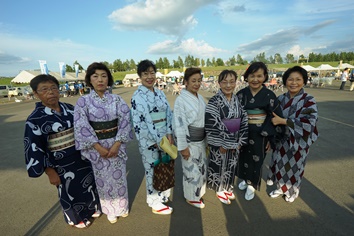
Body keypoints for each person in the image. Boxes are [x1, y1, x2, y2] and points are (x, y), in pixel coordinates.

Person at [24, 74, 101, 229]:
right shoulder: (34, 119)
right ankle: (75, 218)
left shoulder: (70, 109)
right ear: (36, 94)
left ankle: (91, 208)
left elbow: (85, 129)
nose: (51, 92)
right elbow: (34, 147)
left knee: (88, 184)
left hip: (81, 156)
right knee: (68, 190)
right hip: (59, 162)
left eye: (53, 88)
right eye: (44, 89)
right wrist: (48, 170)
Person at [74, 62, 133, 224]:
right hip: (96, 146)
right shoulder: (83, 102)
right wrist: (98, 147)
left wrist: (117, 143)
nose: (100, 79)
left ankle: (122, 206)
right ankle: (110, 211)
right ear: (89, 80)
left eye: (104, 76)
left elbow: (125, 120)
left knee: (119, 178)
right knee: (103, 180)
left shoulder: (117, 99)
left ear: (109, 79)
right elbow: (81, 125)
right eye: (95, 76)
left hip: (116, 143)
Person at [268, 66, 319, 203]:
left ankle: (292, 192)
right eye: (290, 79)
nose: (294, 83)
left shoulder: (309, 100)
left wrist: (284, 121)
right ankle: (280, 188)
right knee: (279, 164)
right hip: (280, 140)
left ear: (304, 81)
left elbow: (309, 122)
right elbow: (270, 117)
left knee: (294, 167)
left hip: (297, 140)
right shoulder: (280, 99)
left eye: (298, 79)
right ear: (285, 81)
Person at [131, 59, 174, 215]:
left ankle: (162, 194)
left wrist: (169, 133)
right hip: (149, 140)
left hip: (164, 137)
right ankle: (154, 200)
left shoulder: (160, 93)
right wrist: (156, 141)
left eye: (152, 73)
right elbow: (142, 122)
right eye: (145, 73)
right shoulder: (137, 96)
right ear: (140, 76)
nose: (149, 77)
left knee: (164, 165)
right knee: (152, 168)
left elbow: (169, 113)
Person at [236, 62, 283, 201]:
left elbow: (275, 117)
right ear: (246, 77)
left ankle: (252, 185)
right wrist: (234, 136)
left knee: (257, 159)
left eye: (259, 76)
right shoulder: (240, 94)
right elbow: (234, 115)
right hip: (243, 133)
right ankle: (245, 179)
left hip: (261, 134)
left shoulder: (269, 95)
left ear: (265, 77)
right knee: (243, 158)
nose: (255, 79)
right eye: (252, 76)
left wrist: (270, 138)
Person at [205, 70, 248, 205]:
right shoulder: (214, 101)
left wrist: (240, 140)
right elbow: (211, 123)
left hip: (235, 141)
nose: (228, 85)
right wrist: (222, 143)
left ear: (236, 83)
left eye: (231, 81)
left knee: (231, 164)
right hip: (220, 142)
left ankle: (227, 187)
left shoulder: (237, 100)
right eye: (225, 82)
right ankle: (219, 189)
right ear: (219, 84)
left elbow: (244, 119)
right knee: (219, 164)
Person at [173, 67, 208, 209]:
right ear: (185, 82)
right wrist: (183, 147)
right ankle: (191, 197)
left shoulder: (199, 98)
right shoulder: (181, 100)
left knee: (200, 168)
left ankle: (199, 192)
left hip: (201, 140)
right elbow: (179, 125)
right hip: (189, 141)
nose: (197, 83)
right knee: (190, 170)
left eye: (199, 80)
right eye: (193, 81)